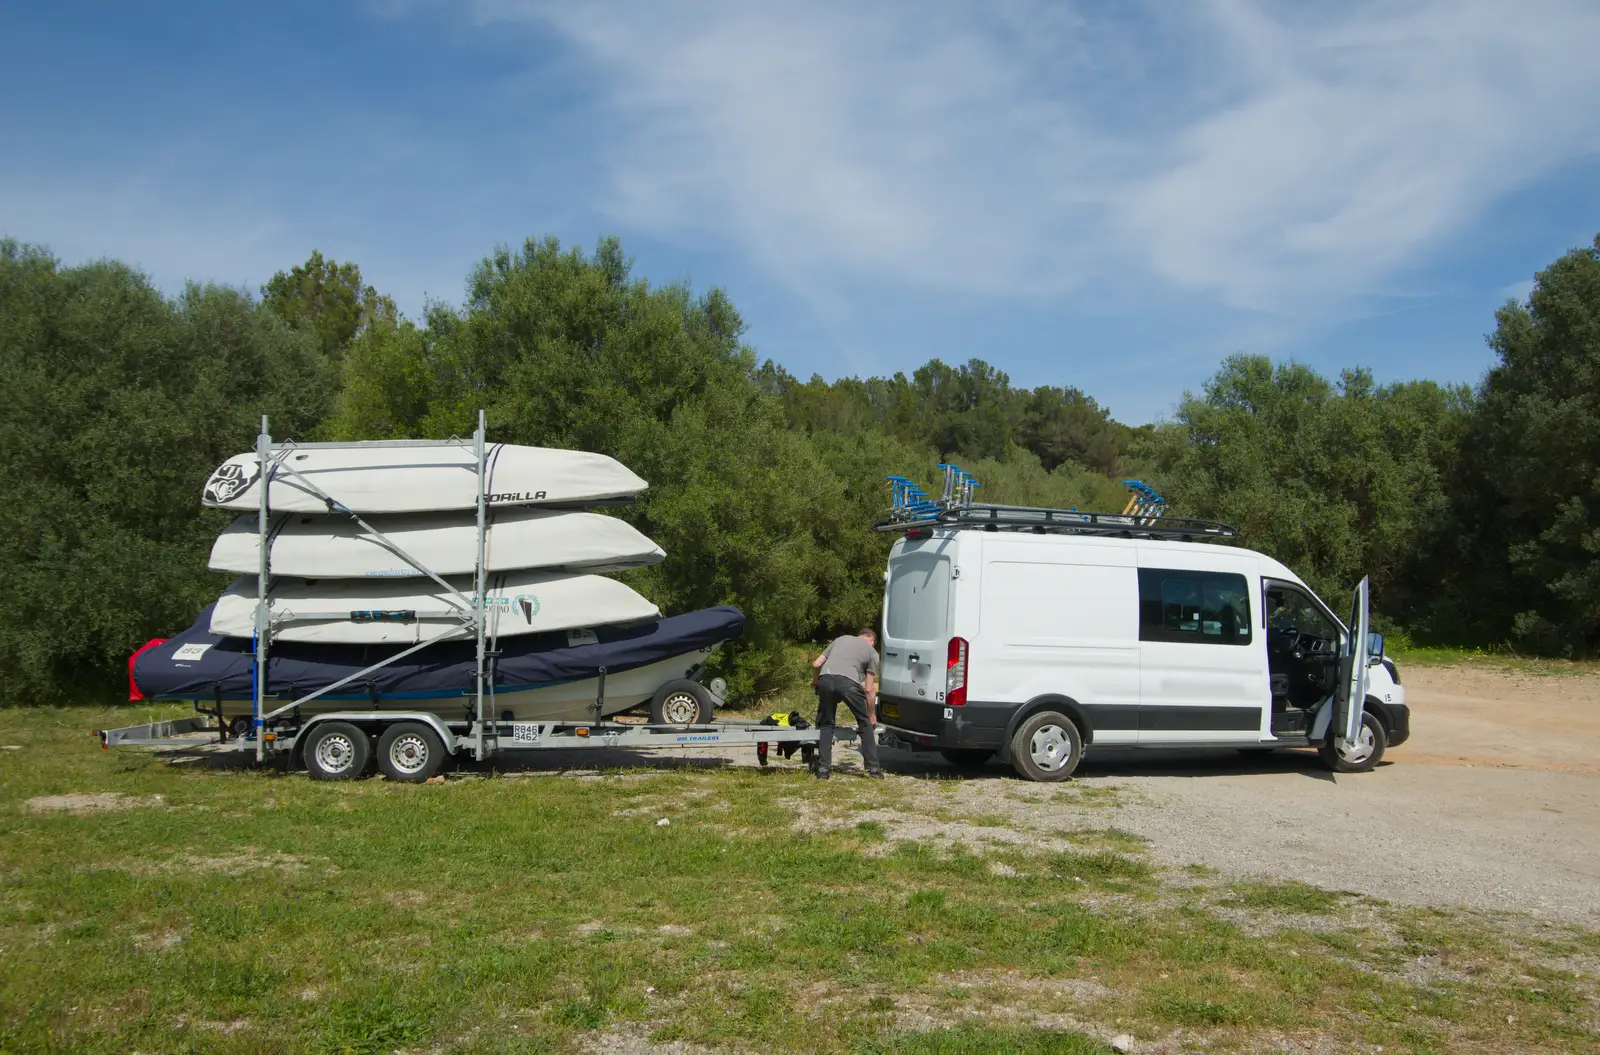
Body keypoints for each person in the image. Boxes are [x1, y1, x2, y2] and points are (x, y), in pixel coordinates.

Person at [810, 628, 883, 779]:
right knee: (864, 723)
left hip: (826, 679)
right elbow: (869, 689)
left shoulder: (840, 639)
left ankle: (823, 769)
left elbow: (817, 664)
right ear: (871, 640)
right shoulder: (872, 652)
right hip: (848, 683)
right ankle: (873, 768)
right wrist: (871, 714)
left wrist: (816, 683)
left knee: (826, 725)